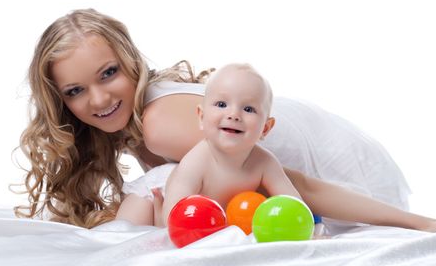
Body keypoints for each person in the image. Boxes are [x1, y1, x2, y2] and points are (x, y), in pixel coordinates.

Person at [15, 8, 436, 232]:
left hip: (342, 179)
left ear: (132, 61)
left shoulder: (159, 121)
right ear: (60, 103)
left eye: (109, 73)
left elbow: (293, 183)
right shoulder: (139, 123)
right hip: (319, 174)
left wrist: (422, 224)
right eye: (75, 91)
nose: (98, 99)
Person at [120, 63, 303, 226]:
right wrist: (162, 222)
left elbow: (294, 203)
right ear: (201, 117)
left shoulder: (265, 163)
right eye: (222, 104)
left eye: (248, 109)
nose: (233, 114)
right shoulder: (198, 160)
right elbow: (175, 214)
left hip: (209, 217)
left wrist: (305, 228)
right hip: (155, 197)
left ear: (265, 128)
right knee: (126, 234)